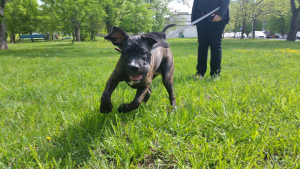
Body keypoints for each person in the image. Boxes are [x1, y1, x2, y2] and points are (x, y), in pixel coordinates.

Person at [192, 0, 230, 80]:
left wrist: (220, 13)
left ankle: (215, 73)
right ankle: (200, 72)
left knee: (215, 44)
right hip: (201, 16)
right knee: (202, 45)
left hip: (217, 15)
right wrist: (194, 17)